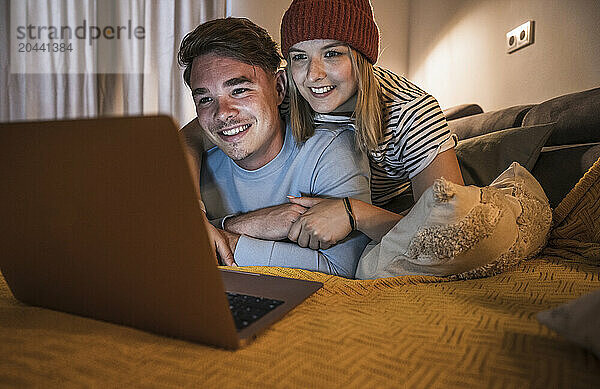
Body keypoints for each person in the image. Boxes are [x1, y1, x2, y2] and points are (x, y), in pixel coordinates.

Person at [178, 17, 371, 278]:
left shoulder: (331, 151)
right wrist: (250, 224)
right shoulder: (191, 166)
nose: (222, 113)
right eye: (205, 99)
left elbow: (345, 268)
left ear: (279, 87)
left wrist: (227, 241)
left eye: (239, 91)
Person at [280, 0, 465, 250]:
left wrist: (354, 213)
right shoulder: (283, 95)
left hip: (393, 207)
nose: (313, 75)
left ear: (361, 57)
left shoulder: (410, 111)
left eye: (332, 53)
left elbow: (449, 229)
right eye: (300, 57)